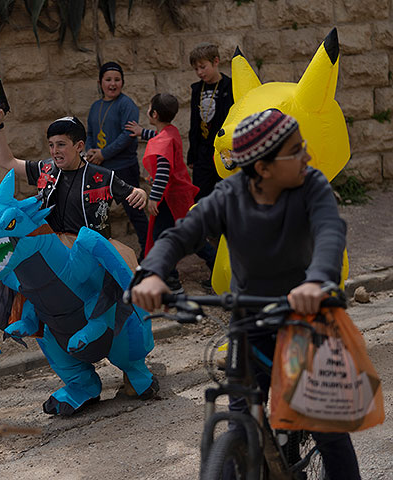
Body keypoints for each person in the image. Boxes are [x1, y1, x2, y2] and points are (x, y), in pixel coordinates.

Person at [130, 109, 361, 479]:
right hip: (249, 322)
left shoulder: (311, 186)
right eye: (297, 150)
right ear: (264, 167)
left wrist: (317, 282)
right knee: (240, 424)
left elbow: (330, 234)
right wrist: (152, 274)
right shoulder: (229, 195)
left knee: (328, 430)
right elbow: (180, 234)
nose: (308, 156)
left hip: (304, 320)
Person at [0, 104, 146, 268]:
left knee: (125, 280)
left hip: (92, 254)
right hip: (53, 251)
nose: (54, 151)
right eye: (51, 145)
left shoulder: (103, 177)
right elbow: (7, 161)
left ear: (79, 146)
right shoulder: (45, 168)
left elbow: (133, 191)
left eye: (61, 144)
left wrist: (141, 193)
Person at [125, 93, 199, 292]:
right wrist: (142, 132)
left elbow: (163, 174)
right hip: (173, 196)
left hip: (169, 198)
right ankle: (151, 269)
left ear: (154, 114)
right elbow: (160, 136)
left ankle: (171, 281)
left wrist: (154, 199)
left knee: (165, 237)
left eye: (149, 107)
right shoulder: (171, 131)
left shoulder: (164, 141)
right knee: (165, 235)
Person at [86, 61, 150, 257]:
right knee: (95, 214)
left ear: (123, 82)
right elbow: (90, 133)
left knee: (135, 213)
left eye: (117, 80)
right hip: (100, 170)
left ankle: (150, 252)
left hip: (123, 168)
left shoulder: (127, 105)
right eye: (108, 80)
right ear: (100, 82)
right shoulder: (96, 106)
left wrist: (103, 154)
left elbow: (126, 136)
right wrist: (90, 152)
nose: (112, 84)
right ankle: (97, 253)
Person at [187, 42, 233, 201]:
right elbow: (194, 122)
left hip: (223, 150)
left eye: (203, 67)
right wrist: (192, 154)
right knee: (201, 196)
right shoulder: (196, 89)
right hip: (203, 152)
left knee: (226, 194)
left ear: (216, 61)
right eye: (196, 69)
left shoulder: (229, 86)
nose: (199, 72)